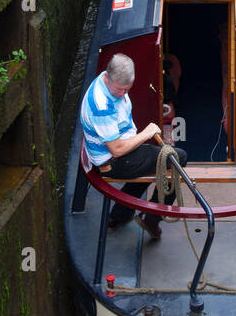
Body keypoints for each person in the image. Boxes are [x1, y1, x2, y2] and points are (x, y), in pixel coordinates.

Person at [80, 53, 187, 240]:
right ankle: (152, 217)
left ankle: (119, 215)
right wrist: (146, 133)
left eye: (127, 89)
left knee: (152, 160)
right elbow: (117, 149)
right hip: (114, 160)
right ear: (108, 77)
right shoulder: (101, 106)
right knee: (177, 157)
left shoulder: (105, 79)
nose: (123, 94)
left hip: (120, 150)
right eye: (119, 90)